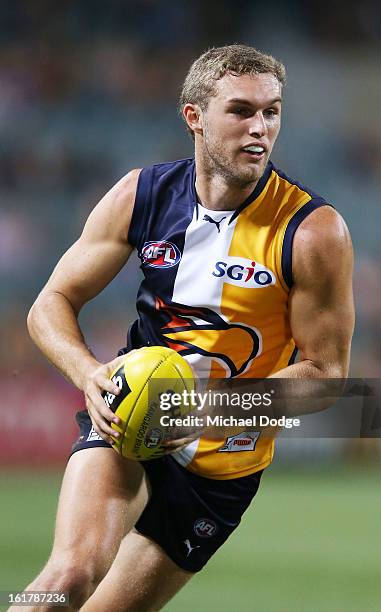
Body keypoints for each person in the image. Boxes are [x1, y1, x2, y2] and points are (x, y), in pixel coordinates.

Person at [16, 44, 354, 611]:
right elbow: (49, 303)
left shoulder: (314, 231)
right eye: (241, 111)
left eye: (272, 112)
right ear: (194, 117)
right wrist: (90, 372)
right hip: (129, 422)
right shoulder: (140, 195)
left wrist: (205, 407)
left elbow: (326, 376)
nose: (260, 128)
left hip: (224, 466)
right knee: (66, 578)